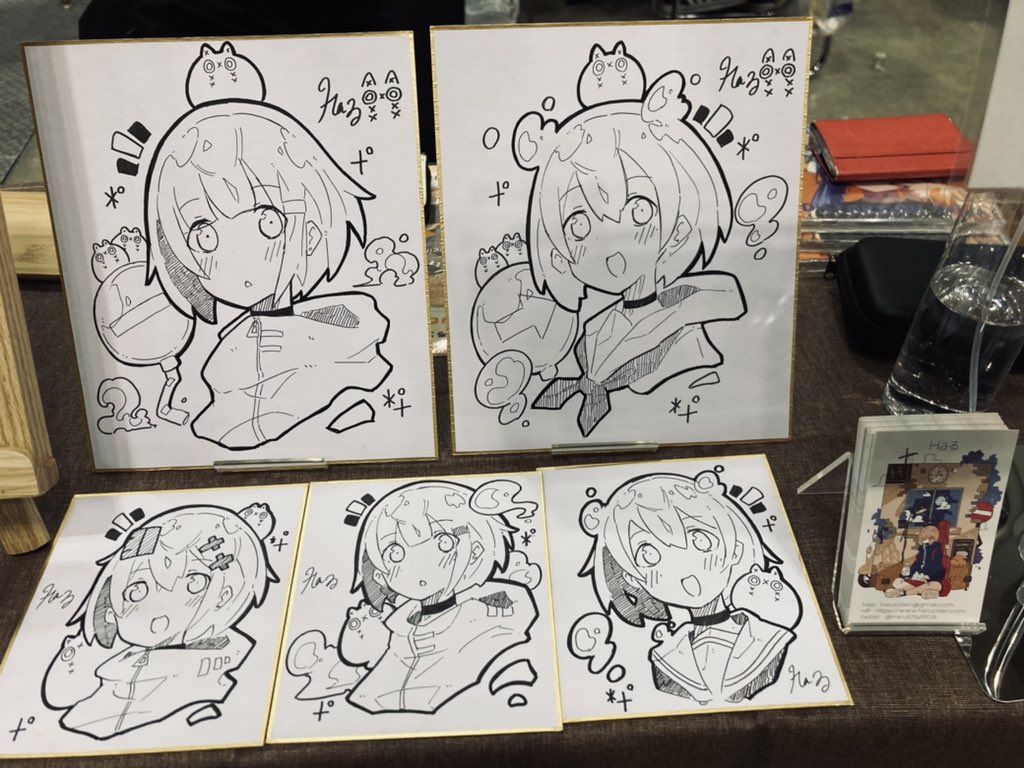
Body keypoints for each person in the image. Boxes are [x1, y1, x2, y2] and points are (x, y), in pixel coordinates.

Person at [513, 67, 746, 436]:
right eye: (578, 225)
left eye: (639, 210)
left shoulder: (689, 315)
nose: (608, 239)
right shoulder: (592, 331)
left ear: (680, 227)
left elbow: (701, 399)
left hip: (679, 431)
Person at [145, 100, 390, 449]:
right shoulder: (232, 354)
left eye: (269, 222)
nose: (239, 257)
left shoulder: (346, 337)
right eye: (205, 236)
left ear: (311, 230)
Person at [43, 504, 276, 739]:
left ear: (223, 597)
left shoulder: (200, 674)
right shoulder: (118, 661)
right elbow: (59, 696)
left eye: (193, 584)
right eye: (136, 588)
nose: (149, 605)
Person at [579, 470, 796, 705]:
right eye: (648, 555)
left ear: (734, 546)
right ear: (633, 578)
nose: (683, 566)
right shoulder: (665, 661)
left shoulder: (769, 639)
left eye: (700, 540)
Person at [341, 480, 539, 714]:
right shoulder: (401, 629)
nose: (414, 561)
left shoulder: (490, 616)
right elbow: (374, 688)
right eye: (394, 553)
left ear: (476, 551)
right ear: (379, 573)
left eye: (442, 542)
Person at [886, 525, 946, 598]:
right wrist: (908, 574)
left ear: (935, 539)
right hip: (917, 580)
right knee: (897, 581)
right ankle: (923, 591)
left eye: (930, 538)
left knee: (937, 585)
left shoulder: (937, 551)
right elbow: (916, 565)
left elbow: (938, 569)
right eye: (924, 538)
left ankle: (903, 593)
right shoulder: (921, 552)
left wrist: (928, 549)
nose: (926, 540)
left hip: (929, 580)